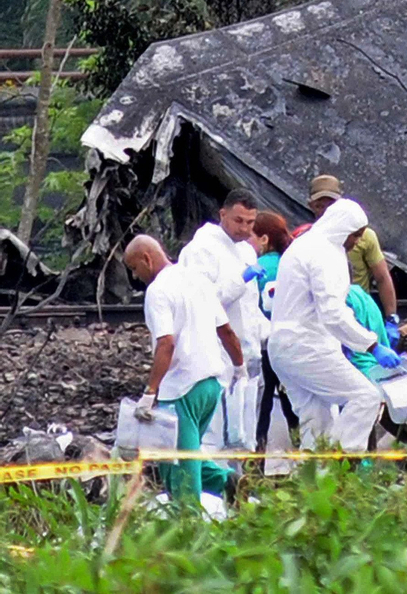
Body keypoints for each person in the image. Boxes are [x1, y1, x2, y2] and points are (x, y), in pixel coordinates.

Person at [268, 197, 401, 451]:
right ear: (342, 229)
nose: (358, 241)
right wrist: (372, 346)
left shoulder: (306, 245)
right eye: (356, 235)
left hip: (286, 348)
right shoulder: (324, 252)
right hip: (306, 346)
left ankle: (313, 484)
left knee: (317, 420)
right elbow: (332, 312)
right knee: (365, 397)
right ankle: (338, 467)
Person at [124, 234, 245, 505]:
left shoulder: (158, 291)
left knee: (179, 469)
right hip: (210, 386)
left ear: (147, 258)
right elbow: (226, 330)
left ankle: (188, 528)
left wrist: (150, 392)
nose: (135, 275)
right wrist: (239, 367)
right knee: (179, 454)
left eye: (134, 268)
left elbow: (166, 343)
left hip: (181, 390)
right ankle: (228, 482)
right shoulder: (198, 280)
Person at [179, 189, 269, 380]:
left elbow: (249, 307)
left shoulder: (246, 250)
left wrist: (270, 332)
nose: (244, 228)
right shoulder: (201, 249)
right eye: (238, 220)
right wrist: (240, 280)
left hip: (248, 351)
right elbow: (201, 302)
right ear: (223, 214)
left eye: (250, 222)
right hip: (217, 353)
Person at [304, 175, 399, 326]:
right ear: (311, 206)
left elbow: (382, 277)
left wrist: (391, 318)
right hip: (321, 315)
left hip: (358, 311)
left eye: (331, 205)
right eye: (319, 206)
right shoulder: (306, 241)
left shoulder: (363, 235)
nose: (326, 211)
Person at [248, 212, 299, 459]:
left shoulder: (258, 269)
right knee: (292, 400)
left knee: (263, 402)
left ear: (264, 239)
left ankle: (256, 458)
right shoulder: (293, 263)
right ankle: (304, 452)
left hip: (266, 345)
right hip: (294, 343)